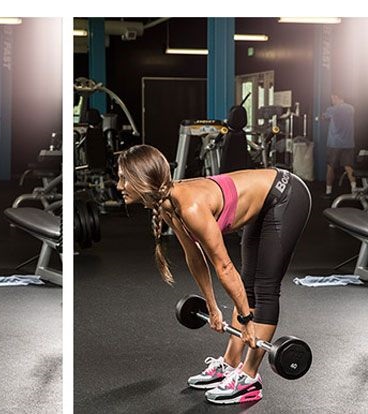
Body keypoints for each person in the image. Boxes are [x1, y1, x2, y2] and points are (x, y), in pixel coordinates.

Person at [116, 144, 311, 405]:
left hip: (285, 195)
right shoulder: (168, 204)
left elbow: (224, 266)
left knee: (264, 287)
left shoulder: (191, 208)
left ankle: (249, 377)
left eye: (123, 178)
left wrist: (246, 320)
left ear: (141, 180)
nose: (119, 186)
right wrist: (212, 306)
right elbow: (195, 257)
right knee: (248, 285)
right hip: (266, 201)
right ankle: (231, 364)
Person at [323, 92, 356, 198]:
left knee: (330, 167)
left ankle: (328, 192)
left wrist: (321, 116)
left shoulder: (332, 109)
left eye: (332, 98)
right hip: (348, 143)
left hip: (334, 143)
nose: (332, 100)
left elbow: (323, 116)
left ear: (336, 97)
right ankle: (355, 191)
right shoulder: (351, 108)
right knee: (348, 167)